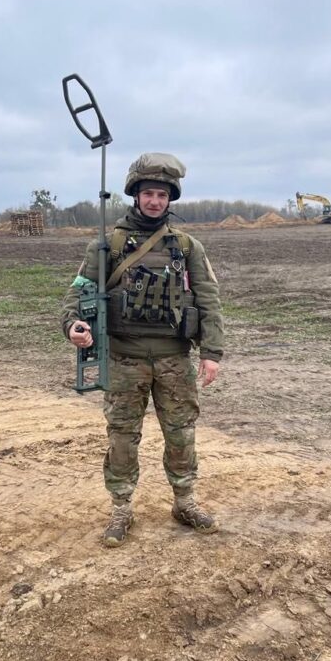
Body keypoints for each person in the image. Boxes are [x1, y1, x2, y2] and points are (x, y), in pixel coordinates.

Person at [61, 152, 224, 547]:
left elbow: (208, 298)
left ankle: (184, 502)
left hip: (173, 360)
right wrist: (73, 327)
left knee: (181, 434)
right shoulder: (107, 246)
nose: (155, 201)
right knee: (121, 436)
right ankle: (121, 508)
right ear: (136, 195)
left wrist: (211, 353)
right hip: (125, 359)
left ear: (170, 199)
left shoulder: (187, 246)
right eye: (149, 193)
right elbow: (77, 295)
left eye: (162, 195)